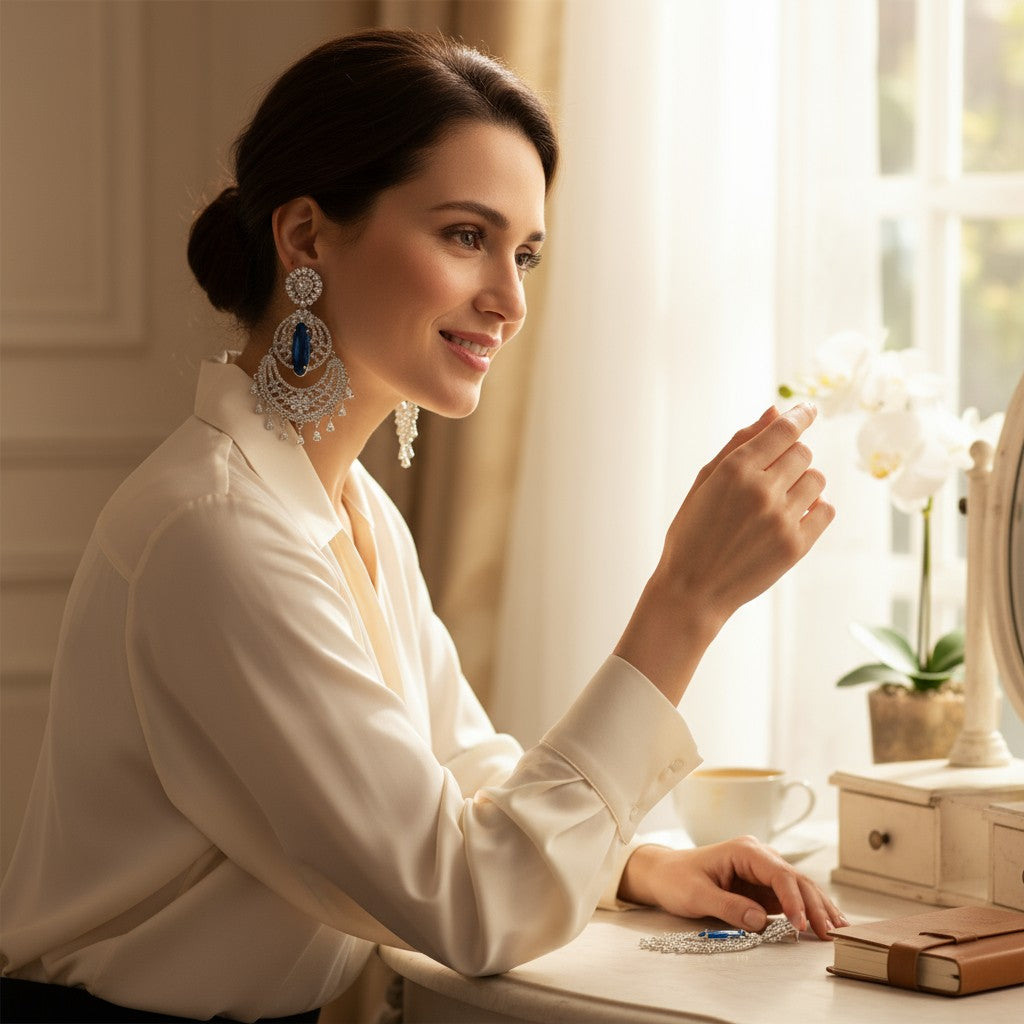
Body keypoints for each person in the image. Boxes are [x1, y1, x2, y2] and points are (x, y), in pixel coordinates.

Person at [0, 28, 843, 1024]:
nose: (510, 297)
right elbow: (474, 899)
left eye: (524, 250)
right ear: (306, 238)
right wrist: (685, 601)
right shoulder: (217, 536)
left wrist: (638, 859)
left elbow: (456, 775)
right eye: (464, 235)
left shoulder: (348, 508)